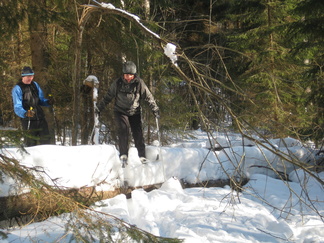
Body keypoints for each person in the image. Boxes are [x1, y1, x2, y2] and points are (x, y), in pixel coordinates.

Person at [96, 61, 159, 166]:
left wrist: (155, 109)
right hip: (120, 111)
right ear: (123, 74)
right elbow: (108, 96)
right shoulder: (117, 83)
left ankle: (142, 155)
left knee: (137, 133)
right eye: (126, 74)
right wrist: (100, 107)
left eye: (130, 75)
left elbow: (148, 97)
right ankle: (123, 155)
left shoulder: (139, 83)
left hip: (135, 111)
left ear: (134, 75)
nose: (128, 77)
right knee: (123, 130)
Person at [12, 66, 52, 146]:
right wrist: (25, 113)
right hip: (28, 120)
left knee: (46, 142)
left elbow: (40, 100)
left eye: (32, 76)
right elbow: (17, 106)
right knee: (30, 144)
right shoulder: (17, 88)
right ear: (23, 76)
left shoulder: (35, 85)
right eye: (28, 76)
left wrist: (48, 102)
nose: (30, 78)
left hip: (40, 118)